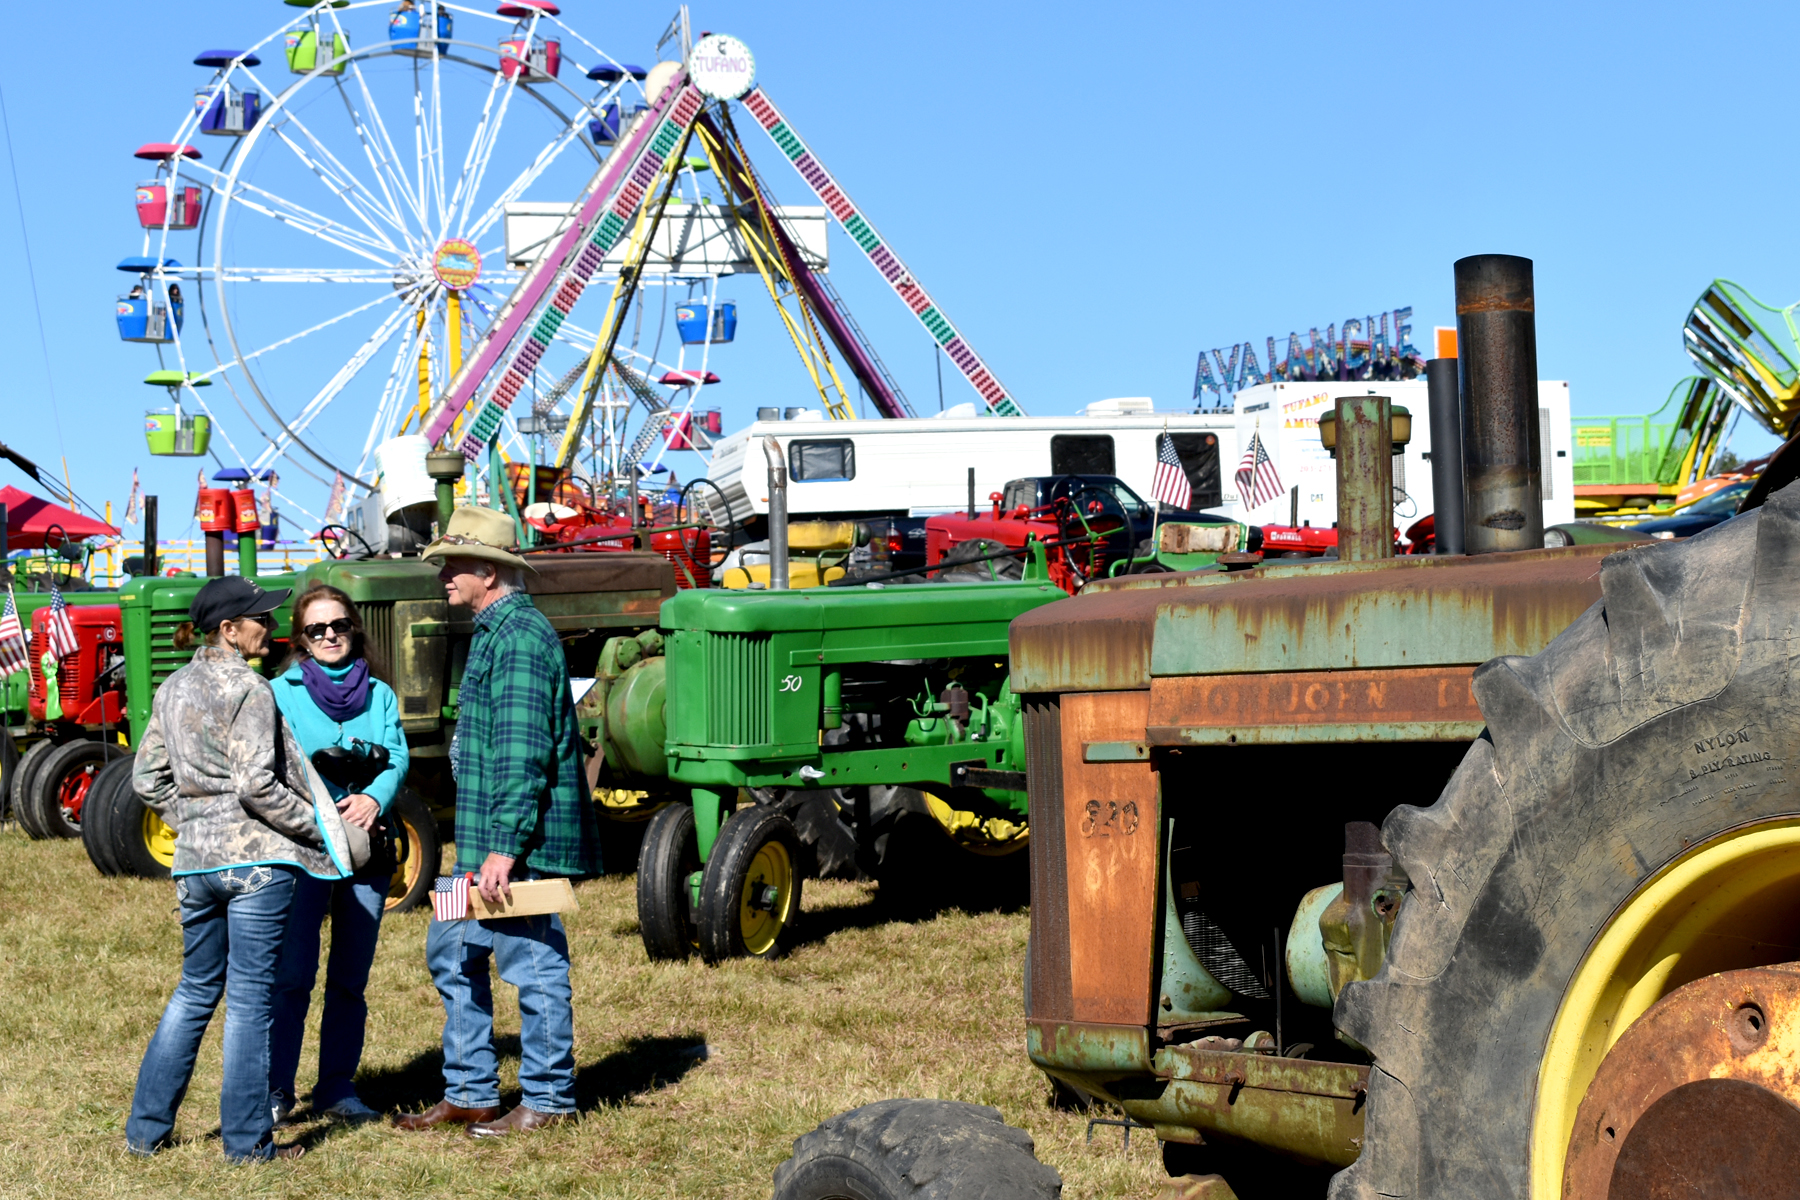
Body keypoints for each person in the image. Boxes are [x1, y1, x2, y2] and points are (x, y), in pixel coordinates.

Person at [126, 577, 351, 1163]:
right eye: (260, 618)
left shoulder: (173, 686)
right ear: (228, 630)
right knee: (251, 1000)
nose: (270, 627)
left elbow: (146, 778)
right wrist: (320, 828)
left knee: (194, 990)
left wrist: (197, 821)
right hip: (256, 864)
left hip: (195, 864)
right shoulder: (250, 687)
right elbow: (256, 785)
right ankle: (248, 1146)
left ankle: (145, 1133)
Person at [395, 506, 600, 1137]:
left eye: (452, 565)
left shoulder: (520, 639)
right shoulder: (493, 630)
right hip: (479, 842)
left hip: (514, 847)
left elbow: (521, 752)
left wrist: (505, 848)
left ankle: (548, 1099)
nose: (443, 576)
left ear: (488, 571)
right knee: (450, 951)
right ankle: (470, 1093)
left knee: (531, 962)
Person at [267, 583, 409, 1126]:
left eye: (339, 625)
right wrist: (321, 806)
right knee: (292, 976)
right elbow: (272, 766)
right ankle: (276, 1090)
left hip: (367, 849)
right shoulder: (279, 693)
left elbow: (397, 756)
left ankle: (336, 1088)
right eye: (317, 629)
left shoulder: (381, 694)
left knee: (350, 979)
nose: (330, 635)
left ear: (354, 628)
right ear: (301, 639)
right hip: (304, 849)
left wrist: (374, 797)